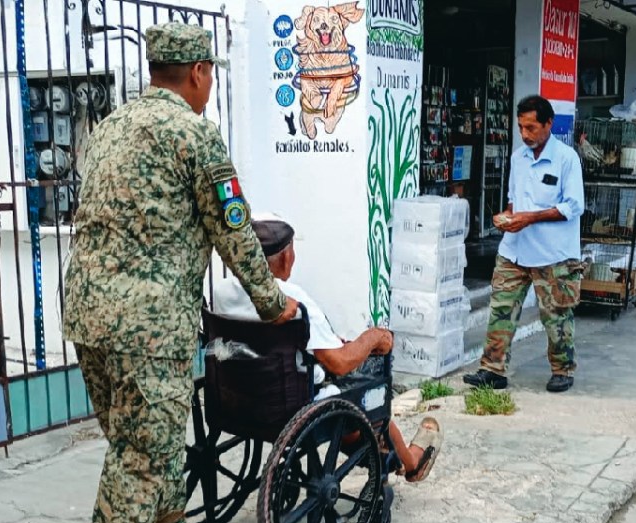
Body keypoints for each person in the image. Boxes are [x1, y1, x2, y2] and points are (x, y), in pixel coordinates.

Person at [62, 22, 299, 523]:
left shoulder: (109, 126)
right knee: (141, 452)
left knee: (147, 436)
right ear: (197, 73)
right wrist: (273, 305)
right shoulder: (194, 133)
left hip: (86, 312)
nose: (211, 83)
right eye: (211, 73)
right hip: (146, 322)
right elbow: (234, 232)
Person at [207, 215, 443, 483]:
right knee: (369, 393)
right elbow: (339, 363)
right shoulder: (291, 301)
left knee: (340, 385)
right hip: (291, 404)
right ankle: (411, 463)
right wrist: (373, 337)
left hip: (236, 396)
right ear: (286, 258)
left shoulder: (223, 291)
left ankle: (368, 443)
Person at [463, 95, 585, 394]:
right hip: (514, 249)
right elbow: (514, 200)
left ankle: (562, 369)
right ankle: (492, 369)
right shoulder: (518, 157)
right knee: (501, 309)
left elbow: (573, 206)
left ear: (548, 124)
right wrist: (506, 216)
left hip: (553, 254)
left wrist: (529, 218)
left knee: (556, 314)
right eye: (521, 127)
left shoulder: (567, 159)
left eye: (531, 127)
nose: (526, 134)